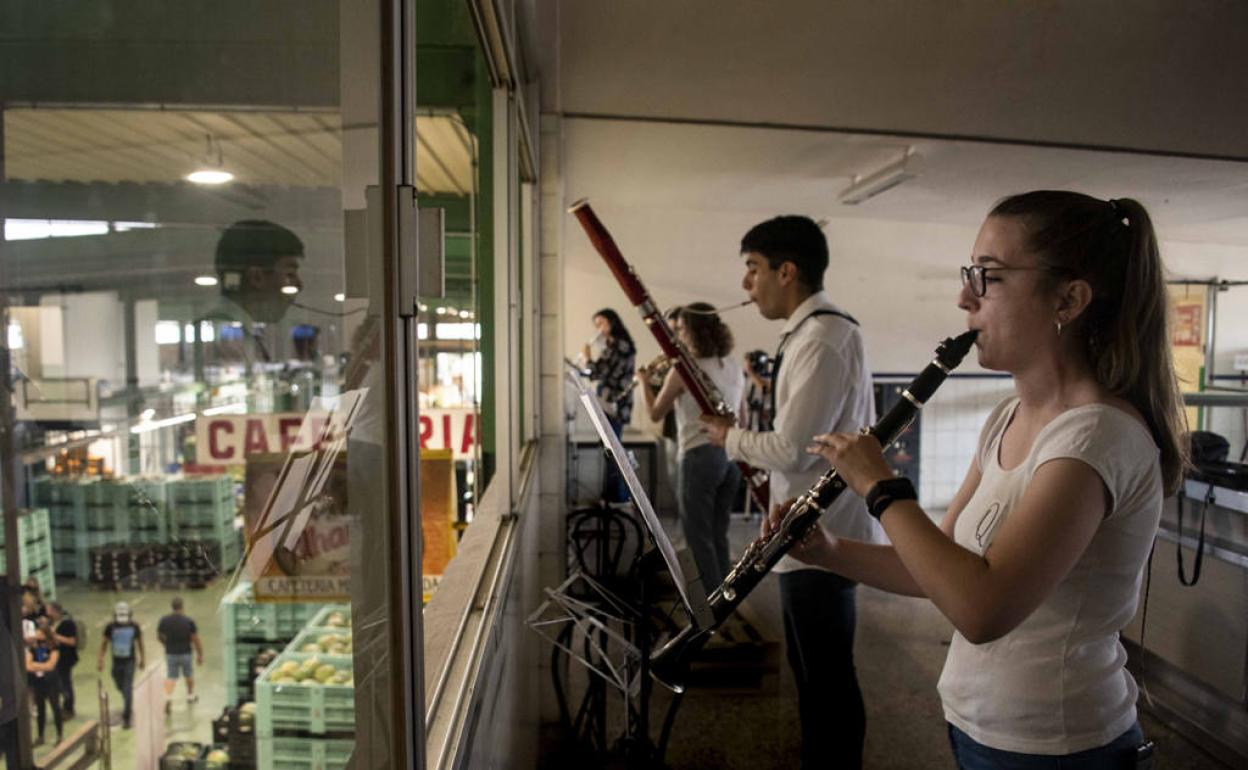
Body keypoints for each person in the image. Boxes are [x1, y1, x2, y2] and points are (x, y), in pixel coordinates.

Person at [788, 191, 1183, 768]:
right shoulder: (1008, 417)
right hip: (980, 726)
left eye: (988, 277)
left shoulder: (1097, 437)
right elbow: (941, 569)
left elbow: (981, 610)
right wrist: (827, 551)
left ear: (1068, 299)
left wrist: (881, 488)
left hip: (1059, 743)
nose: (963, 297)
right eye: (969, 273)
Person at [702, 215, 881, 770]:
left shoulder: (824, 338)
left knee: (825, 678)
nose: (746, 285)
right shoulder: (812, 334)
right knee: (814, 676)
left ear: (787, 270)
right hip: (807, 533)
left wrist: (729, 437)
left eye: (753, 269)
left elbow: (794, 449)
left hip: (824, 539)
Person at [635, 303, 745, 592]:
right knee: (718, 534)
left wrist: (643, 382)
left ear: (693, 332)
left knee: (696, 537)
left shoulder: (684, 370)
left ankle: (708, 608)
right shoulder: (732, 364)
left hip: (699, 457)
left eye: (681, 329)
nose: (678, 336)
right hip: (731, 457)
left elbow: (656, 414)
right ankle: (726, 599)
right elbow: (742, 417)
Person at [581, 308, 637, 502]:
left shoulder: (620, 346)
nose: (600, 329)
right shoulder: (612, 345)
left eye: (602, 324)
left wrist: (587, 358)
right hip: (609, 403)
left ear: (613, 322)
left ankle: (618, 496)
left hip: (615, 405)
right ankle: (611, 494)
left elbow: (600, 373)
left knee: (614, 452)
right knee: (609, 451)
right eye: (597, 325)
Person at [98, 601, 144, 729]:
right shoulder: (110, 627)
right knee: (119, 684)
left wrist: (142, 658)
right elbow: (104, 643)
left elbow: (140, 643)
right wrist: (100, 659)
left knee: (128, 687)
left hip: (130, 661)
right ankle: (127, 697)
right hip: (116, 661)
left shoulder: (134, 627)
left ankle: (127, 717)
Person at [157, 597, 203, 713]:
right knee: (188, 674)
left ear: (172, 607)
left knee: (171, 676)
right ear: (182, 607)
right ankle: (190, 695)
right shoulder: (188, 621)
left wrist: (166, 643)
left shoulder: (164, 620)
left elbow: (159, 636)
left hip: (171, 653)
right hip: (185, 652)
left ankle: (167, 697)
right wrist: (200, 654)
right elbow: (195, 639)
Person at [25, 627, 62, 747]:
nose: (37, 637)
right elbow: (27, 666)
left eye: (40, 635)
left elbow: (51, 666)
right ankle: (40, 736)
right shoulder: (33, 649)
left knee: (55, 707)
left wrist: (35, 665)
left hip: (52, 682)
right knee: (40, 710)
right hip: (39, 682)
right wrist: (42, 666)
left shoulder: (54, 648)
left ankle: (59, 735)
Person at [46, 603, 79, 718]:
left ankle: (69, 708)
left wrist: (56, 637)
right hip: (54, 658)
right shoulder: (50, 623)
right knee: (56, 683)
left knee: (65, 683)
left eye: (49, 610)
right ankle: (62, 706)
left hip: (65, 658)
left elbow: (72, 641)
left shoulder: (67, 623)